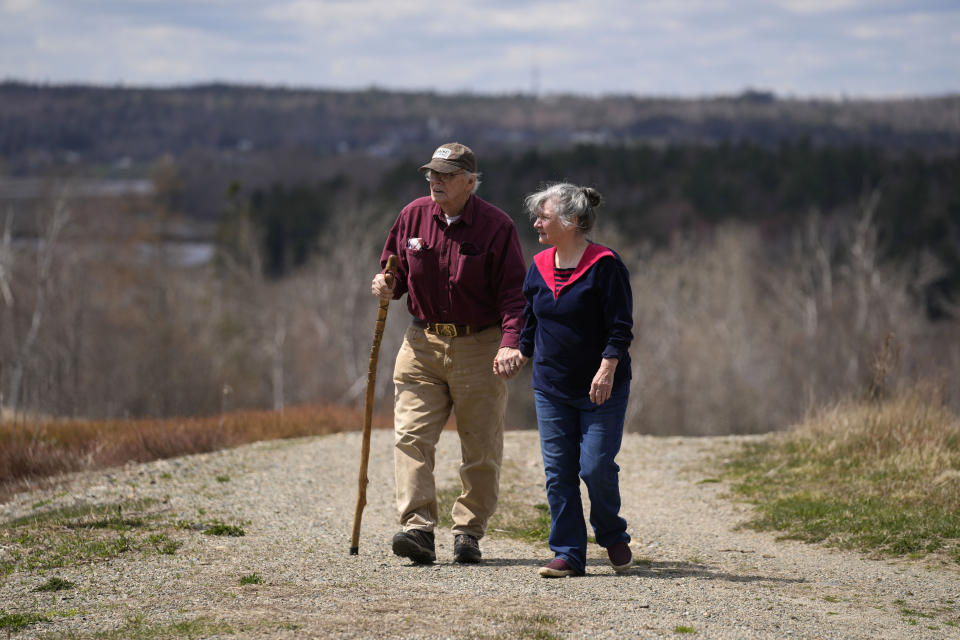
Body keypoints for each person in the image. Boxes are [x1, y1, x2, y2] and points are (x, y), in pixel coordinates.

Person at [371, 142, 527, 565]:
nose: (435, 181)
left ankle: (468, 532)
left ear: (470, 182)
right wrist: (386, 284)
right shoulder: (413, 215)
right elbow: (394, 270)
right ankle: (417, 529)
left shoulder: (497, 226)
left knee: (479, 446)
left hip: (480, 345)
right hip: (421, 343)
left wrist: (511, 342)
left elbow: (515, 294)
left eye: (445, 175)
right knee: (410, 437)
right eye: (431, 174)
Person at [515, 183, 634, 577]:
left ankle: (611, 532)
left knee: (594, 466)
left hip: (601, 384)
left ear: (573, 221)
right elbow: (529, 318)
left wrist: (608, 365)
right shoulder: (539, 264)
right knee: (559, 472)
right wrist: (518, 350)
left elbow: (620, 325)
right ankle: (568, 553)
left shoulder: (605, 264)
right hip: (551, 386)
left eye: (544, 217)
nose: (536, 223)